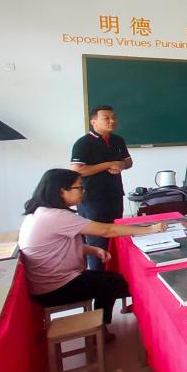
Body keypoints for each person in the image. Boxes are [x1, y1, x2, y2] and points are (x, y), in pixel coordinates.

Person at [18, 168, 171, 338]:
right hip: (55, 289)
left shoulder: (41, 212)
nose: (83, 191)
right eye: (79, 187)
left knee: (109, 280)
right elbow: (107, 230)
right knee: (117, 283)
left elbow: (57, 247)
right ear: (62, 191)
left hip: (51, 282)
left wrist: (93, 249)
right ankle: (101, 329)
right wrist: (151, 229)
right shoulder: (55, 216)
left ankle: (104, 323)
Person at [70, 105, 132, 267]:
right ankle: (97, 278)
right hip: (92, 199)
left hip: (115, 195)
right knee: (97, 243)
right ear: (93, 122)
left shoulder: (118, 140)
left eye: (114, 118)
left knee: (116, 237)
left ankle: (114, 275)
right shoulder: (83, 143)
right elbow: (77, 170)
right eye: (106, 118)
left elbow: (128, 162)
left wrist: (120, 165)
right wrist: (108, 164)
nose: (112, 121)